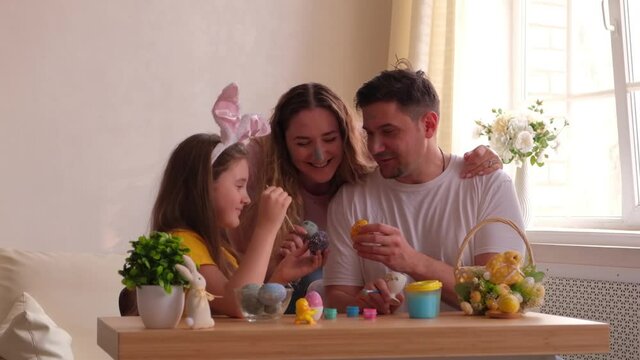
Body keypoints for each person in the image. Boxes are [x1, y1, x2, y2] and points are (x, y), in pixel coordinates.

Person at [228, 82, 505, 313]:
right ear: (283, 146)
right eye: (302, 143)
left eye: (329, 139)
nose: (320, 155)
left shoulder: (367, 176)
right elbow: (247, 298)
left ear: (347, 137)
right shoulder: (263, 188)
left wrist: (485, 159)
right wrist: (276, 262)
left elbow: (421, 155)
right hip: (280, 300)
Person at [323, 66, 525, 315]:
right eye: (370, 133)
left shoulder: (488, 185)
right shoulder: (351, 198)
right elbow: (336, 297)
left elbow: (499, 294)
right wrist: (363, 302)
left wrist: (411, 261)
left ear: (429, 125)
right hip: (389, 350)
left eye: (388, 132)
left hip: (474, 350)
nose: (375, 147)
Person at [119, 84, 321, 317]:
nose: (246, 198)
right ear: (203, 186)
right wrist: (266, 228)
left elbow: (250, 306)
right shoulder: (180, 243)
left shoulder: (221, 252)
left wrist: (281, 274)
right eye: (239, 185)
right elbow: (238, 304)